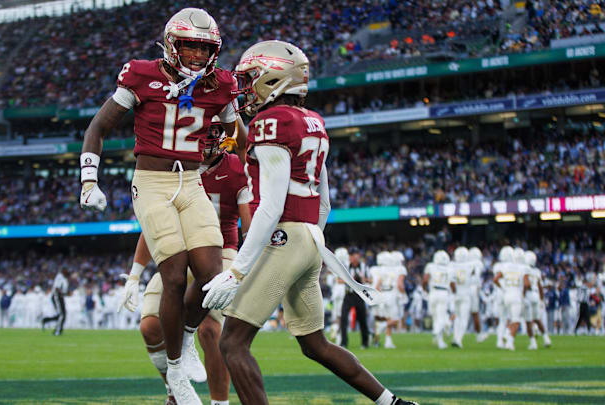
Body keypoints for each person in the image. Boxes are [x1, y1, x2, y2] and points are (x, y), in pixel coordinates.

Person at [201, 40, 418, 405]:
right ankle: (391, 403)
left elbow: (270, 207)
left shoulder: (270, 121)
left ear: (273, 79)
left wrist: (238, 271)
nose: (246, 86)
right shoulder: (313, 121)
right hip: (309, 238)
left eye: (252, 77)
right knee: (314, 344)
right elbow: (325, 202)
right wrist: (308, 242)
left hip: (283, 236)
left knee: (233, 342)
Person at [78, 7, 241, 404]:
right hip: (152, 182)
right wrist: (88, 179)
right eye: (191, 48)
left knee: (210, 275)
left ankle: (185, 339)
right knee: (172, 275)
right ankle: (175, 373)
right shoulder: (141, 74)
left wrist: (236, 146)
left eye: (206, 50)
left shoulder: (220, 84)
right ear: (172, 44)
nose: (199, 57)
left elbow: (236, 130)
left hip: (192, 181)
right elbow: (98, 126)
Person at [121, 119, 252, 405]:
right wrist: (134, 275)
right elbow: (151, 225)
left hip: (222, 251)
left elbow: (248, 225)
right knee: (150, 326)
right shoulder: (175, 167)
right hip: (180, 251)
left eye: (212, 134)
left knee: (209, 329)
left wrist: (248, 261)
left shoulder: (234, 166)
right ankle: (176, 391)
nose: (205, 140)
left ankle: (220, 403)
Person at [493, 246, 529, 351]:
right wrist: (523, 293)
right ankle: (509, 340)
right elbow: (527, 284)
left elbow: (495, 279)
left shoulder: (503, 267)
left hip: (506, 295)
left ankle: (504, 336)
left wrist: (504, 288)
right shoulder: (522, 268)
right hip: (516, 294)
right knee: (516, 320)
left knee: (507, 318)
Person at [423, 250, 455, 349]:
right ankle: (440, 329)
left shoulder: (431, 266)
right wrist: (454, 292)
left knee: (436, 317)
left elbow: (425, 280)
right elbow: (452, 285)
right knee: (440, 317)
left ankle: (440, 340)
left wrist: (425, 290)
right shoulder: (450, 269)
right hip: (444, 292)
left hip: (433, 292)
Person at [340, 248, 370, 349]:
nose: (353, 257)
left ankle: (365, 342)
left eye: (355, 254)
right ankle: (344, 342)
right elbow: (339, 280)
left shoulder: (364, 267)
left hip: (359, 295)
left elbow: (370, 279)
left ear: (358, 255)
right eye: (351, 255)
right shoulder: (346, 267)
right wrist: (350, 279)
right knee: (343, 318)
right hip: (348, 295)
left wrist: (362, 279)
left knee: (362, 320)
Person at [523, 251, 551, 349]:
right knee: (537, 319)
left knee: (528, 320)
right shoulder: (537, 271)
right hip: (536, 295)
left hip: (528, 295)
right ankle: (546, 338)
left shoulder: (524, 269)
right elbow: (540, 287)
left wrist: (522, 295)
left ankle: (533, 343)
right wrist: (541, 300)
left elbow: (526, 284)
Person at [449, 247, 472, 348]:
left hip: (456, 294)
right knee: (464, 318)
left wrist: (454, 292)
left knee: (457, 317)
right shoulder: (470, 265)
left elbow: (451, 282)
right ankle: (458, 339)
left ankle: (455, 337)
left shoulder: (452, 265)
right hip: (465, 293)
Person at [42, 269, 69, 336]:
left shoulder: (64, 278)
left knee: (63, 315)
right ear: (63, 272)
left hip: (60, 297)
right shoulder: (60, 277)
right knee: (61, 315)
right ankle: (57, 331)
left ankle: (46, 320)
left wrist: (65, 293)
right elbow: (57, 288)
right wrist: (62, 293)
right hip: (57, 297)